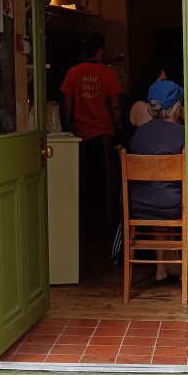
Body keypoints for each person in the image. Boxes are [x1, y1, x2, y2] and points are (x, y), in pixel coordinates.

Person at [60, 33, 123, 234]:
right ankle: (102, 228)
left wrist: (68, 127)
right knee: (103, 185)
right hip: (102, 136)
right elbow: (115, 105)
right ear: (100, 50)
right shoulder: (108, 74)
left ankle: (84, 226)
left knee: (82, 183)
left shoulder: (73, 72)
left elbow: (66, 103)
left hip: (79, 137)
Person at [128, 79, 185, 284]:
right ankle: (184, 270)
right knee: (173, 197)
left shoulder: (140, 132)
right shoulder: (183, 134)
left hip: (138, 206)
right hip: (173, 206)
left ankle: (161, 267)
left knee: (157, 193)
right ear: (176, 108)